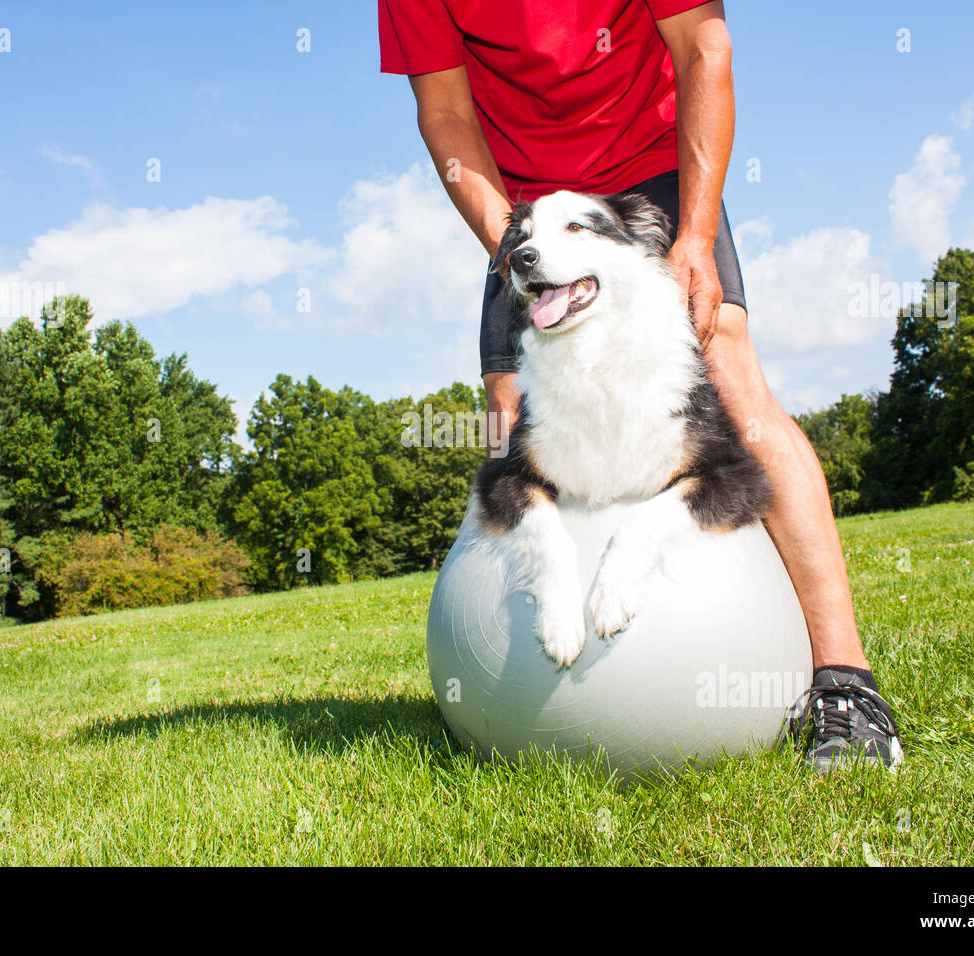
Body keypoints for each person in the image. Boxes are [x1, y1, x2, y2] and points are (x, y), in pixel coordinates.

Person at [379, 0, 902, 770]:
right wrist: (516, 244)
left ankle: (844, 683)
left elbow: (701, 48)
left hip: (656, 166)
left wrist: (693, 234)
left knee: (728, 376)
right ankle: (497, 691)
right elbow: (446, 112)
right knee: (511, 415)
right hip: (527, 200)